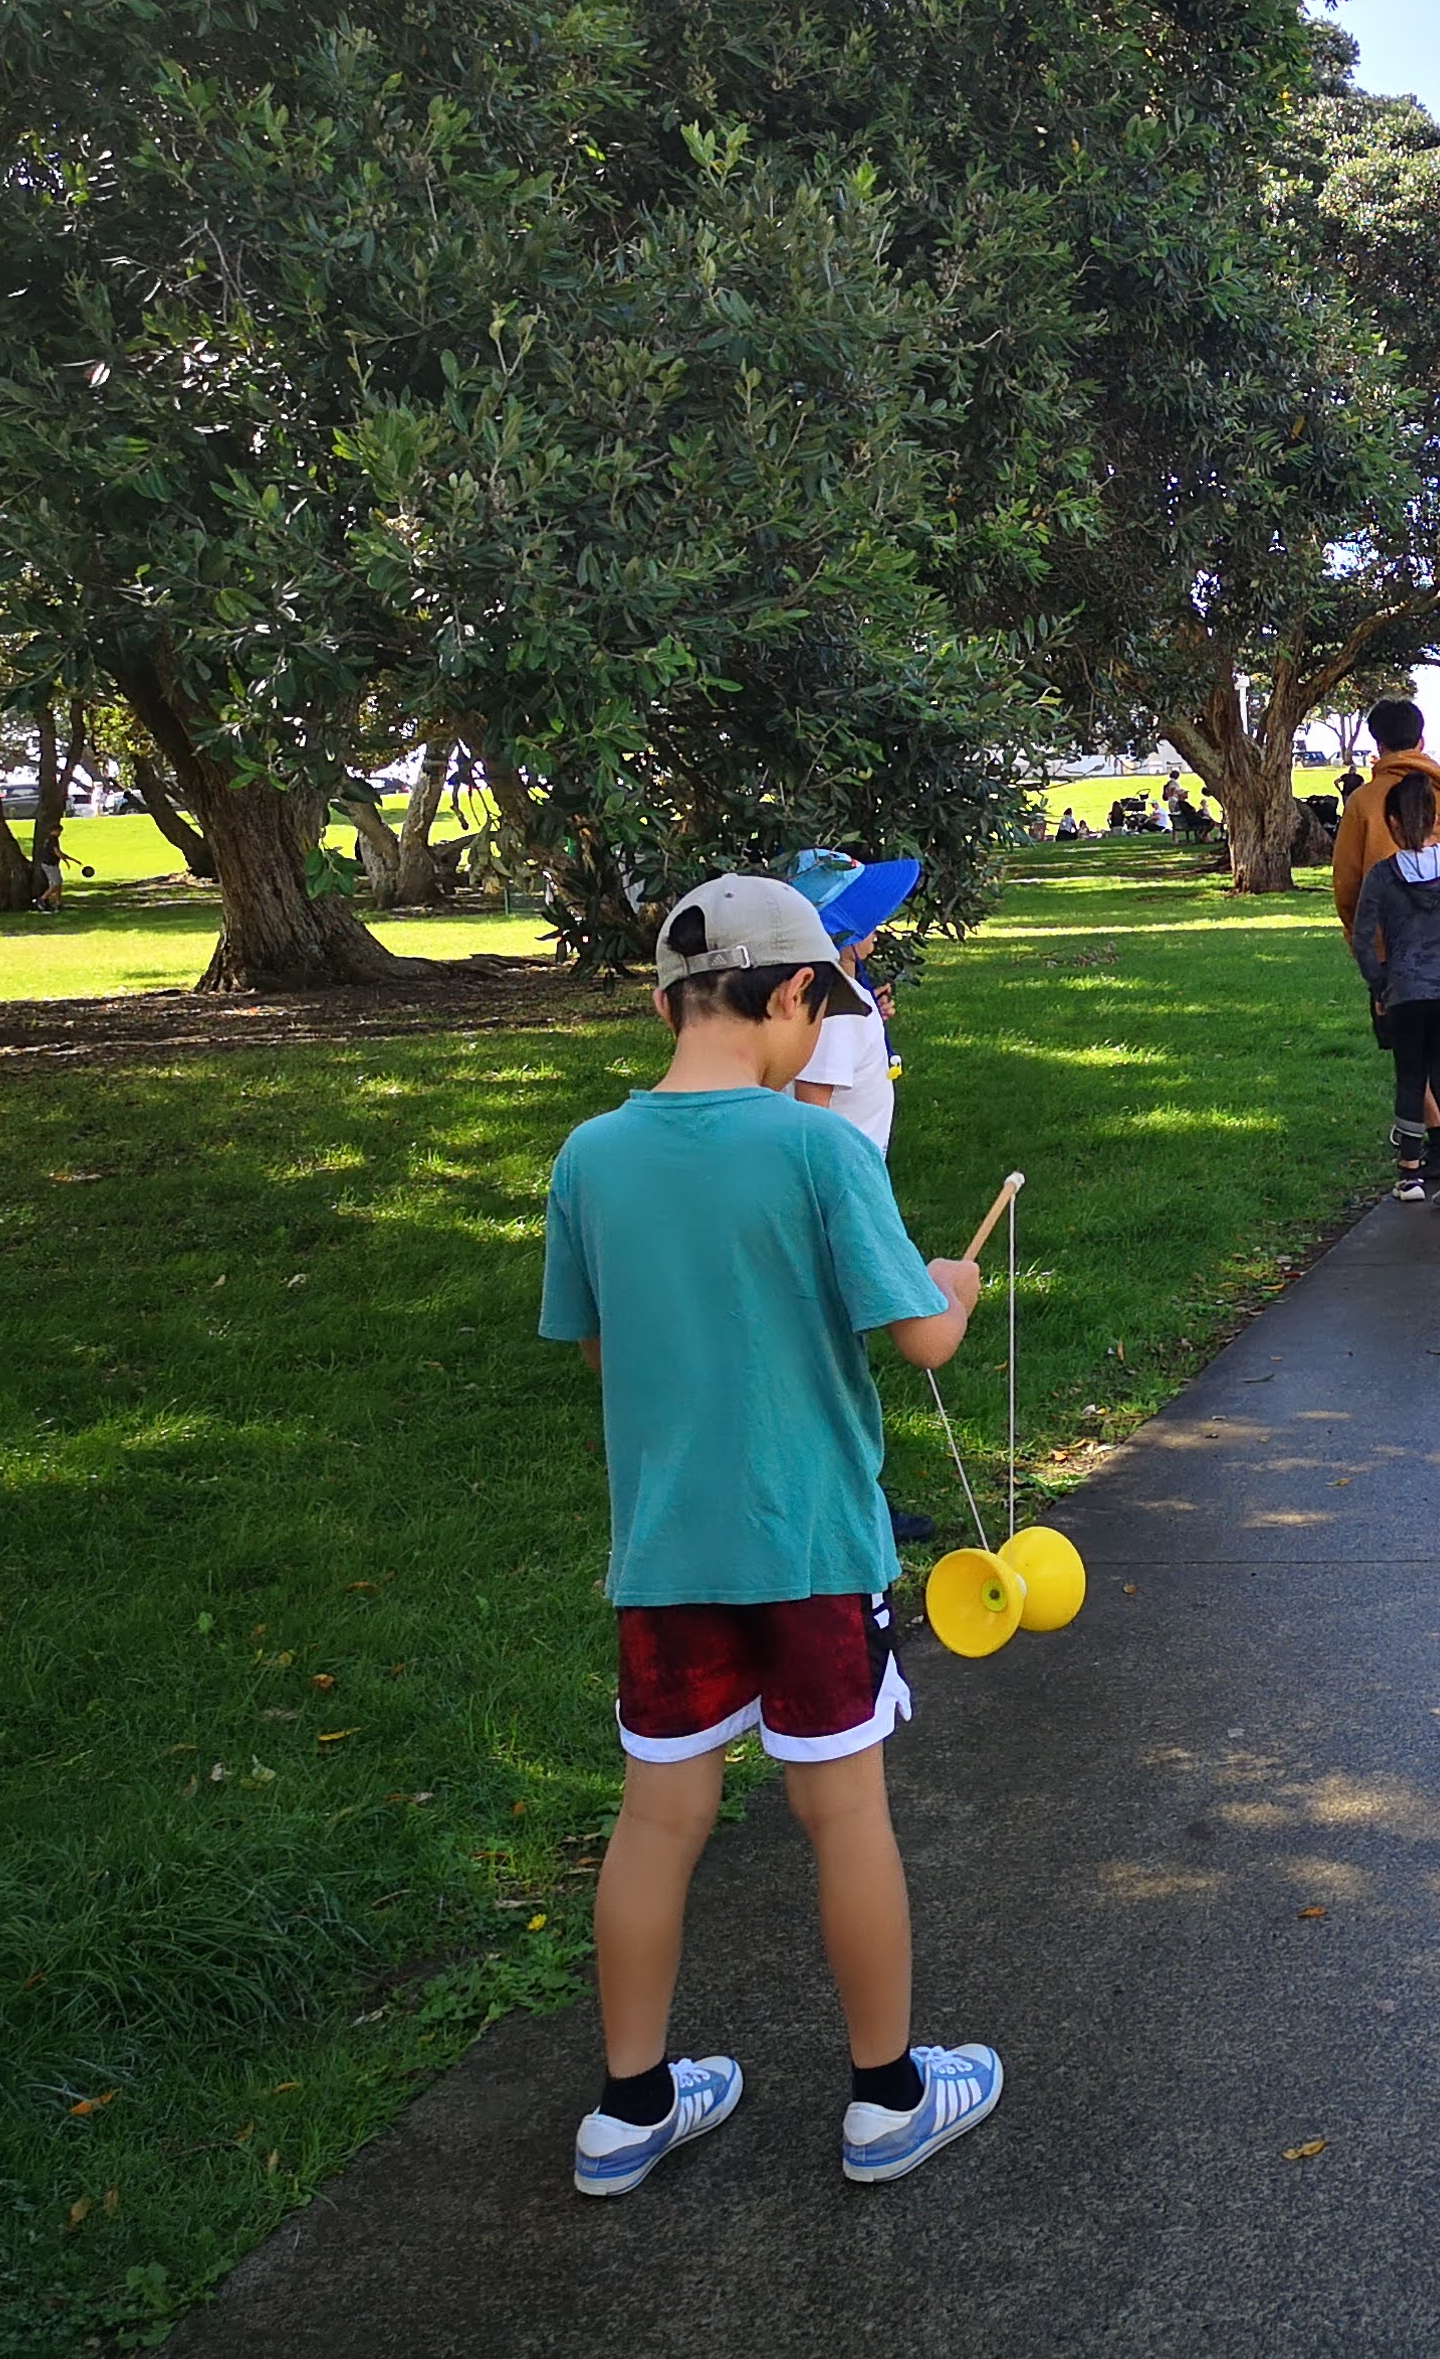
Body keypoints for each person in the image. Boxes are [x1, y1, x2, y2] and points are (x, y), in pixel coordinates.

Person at [539, 874, 998, 2200]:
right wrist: (955, 1285)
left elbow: (605, 1352)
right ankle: (888, 2097)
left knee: (658, 1815)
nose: (821, 1036)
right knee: (842, 1808)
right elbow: (920, 1339)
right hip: (809, 1545)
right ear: (789, 994)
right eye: (821, 1010)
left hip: (666, 1555)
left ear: (672, 996)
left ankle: (627, 2109)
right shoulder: (821, 1154)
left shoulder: (591, 1157)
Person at [1348, 772, 1440, 1202]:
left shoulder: (1382, 876)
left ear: (1392, 823)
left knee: (1411, 1078)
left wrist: (1379, 984)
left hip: (1405, 989)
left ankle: (1410, 1177)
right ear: (1435, 819)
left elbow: (1362, 937)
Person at [788, 851, 925, 1155]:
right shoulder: (836, 1012)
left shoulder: (842, 999)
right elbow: (812, 1112)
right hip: (841, 1172)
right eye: (867, 917)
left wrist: (867, 1022)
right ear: (841, 933)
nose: (877, 925)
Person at [1331, 698, 1440, 935]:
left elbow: (1347, 881)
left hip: (1387, 943)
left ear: (1379, 746)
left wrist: (1364, 939)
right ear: (1421, 742)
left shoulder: (1362, 802)